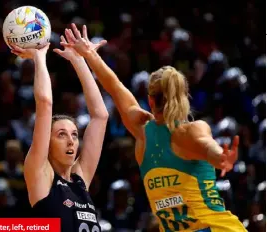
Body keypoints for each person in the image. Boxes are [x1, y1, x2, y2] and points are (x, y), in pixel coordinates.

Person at [62, 24, 247, 232]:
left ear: (150, 101)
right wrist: (221, 158)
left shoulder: (171, 132)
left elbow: (116, 88)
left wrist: (90, 55)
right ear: (184, 97)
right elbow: (208, 148)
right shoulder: (155, 131)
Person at [10, 32, 108, 232]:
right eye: (61, 135)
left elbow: (100, 116)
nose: (71, 141)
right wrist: (39, 57)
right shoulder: (41, 175)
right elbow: (45, 104)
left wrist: (78, 60)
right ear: (47, 144)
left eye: (74, 134)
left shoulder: (80, 180)